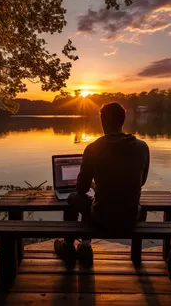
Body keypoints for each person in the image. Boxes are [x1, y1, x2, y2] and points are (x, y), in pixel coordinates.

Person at [54, 102, 150, 266]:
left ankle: (70, 246)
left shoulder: (93, 148)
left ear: (103, 121)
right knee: (92, 201)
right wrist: (99, 185)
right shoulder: (142, 147)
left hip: (103, 217)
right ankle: (85, 246)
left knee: (74, 198)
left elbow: (82, 188)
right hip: (130, 217)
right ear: (123, 120)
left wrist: (92, 185)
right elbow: (140, 182)